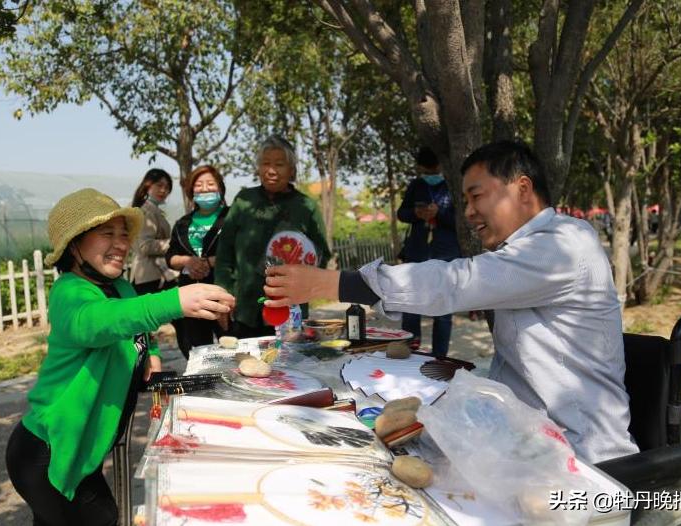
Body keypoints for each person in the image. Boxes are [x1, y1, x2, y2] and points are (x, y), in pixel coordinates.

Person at [264, 141, 638, 464]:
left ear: (522, 189)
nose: (470, 212)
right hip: (526, 440)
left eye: (476, 196)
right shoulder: (523, 252)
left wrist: (334, 283)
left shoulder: (564, 244)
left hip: (582, 458)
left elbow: (454, 282)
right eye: (465, 201)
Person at [5, 188, 234, 526]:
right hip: (49, 453)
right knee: (103, 517)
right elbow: (102, 322)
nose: (121, 243)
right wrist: (174, 300)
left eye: (124, 234)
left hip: (82, 456)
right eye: (106, 234)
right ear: (74, 244)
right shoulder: (70, 292)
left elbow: (135, 326)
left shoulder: (120, 288)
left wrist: (151, 355)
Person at [215, 135, 331, 339]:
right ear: (258, 168)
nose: (271, 170)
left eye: (279, 164)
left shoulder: (306, 207)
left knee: (289, 365)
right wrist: (224, 295)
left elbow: (321, 254)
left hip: (290, 310)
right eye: (265, 163)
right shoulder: (244, 201)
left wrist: (299, 285)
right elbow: (225, 253)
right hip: (245, 310)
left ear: (292, 170)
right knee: (247, 366)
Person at [397, 146, 460, 357]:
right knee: (411, 305)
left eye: (433, 171)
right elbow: (402, 213)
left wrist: (439, 213)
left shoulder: (452, 187)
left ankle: (439, 357)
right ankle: (410, 353)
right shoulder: (416, 185)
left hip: (446, 254)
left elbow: (461, 222)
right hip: (417, 252)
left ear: (441, 166)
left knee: (442, 310)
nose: (430, 176)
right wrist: (416, 213)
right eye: (426, 172)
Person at [165, 165, 230, 358]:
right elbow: (170, 257)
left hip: (225, 292)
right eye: (199, 185)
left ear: (220, 188)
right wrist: (187, 261)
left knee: (234, 348)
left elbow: (243, 251)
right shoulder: (182, 224)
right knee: (198, 352)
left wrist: (209, 262)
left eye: (210, 183)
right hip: (193, 295)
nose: (205, 188)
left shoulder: (233, 217)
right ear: (191, 191)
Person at [129, 168, 177, 295]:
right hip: (149, 276)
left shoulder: (152, 210)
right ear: (148, 185)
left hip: (153, 275)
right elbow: (145, 246)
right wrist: (175, 243)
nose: (163, 190)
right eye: (159, 185)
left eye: (167, 187)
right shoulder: (147, 211)